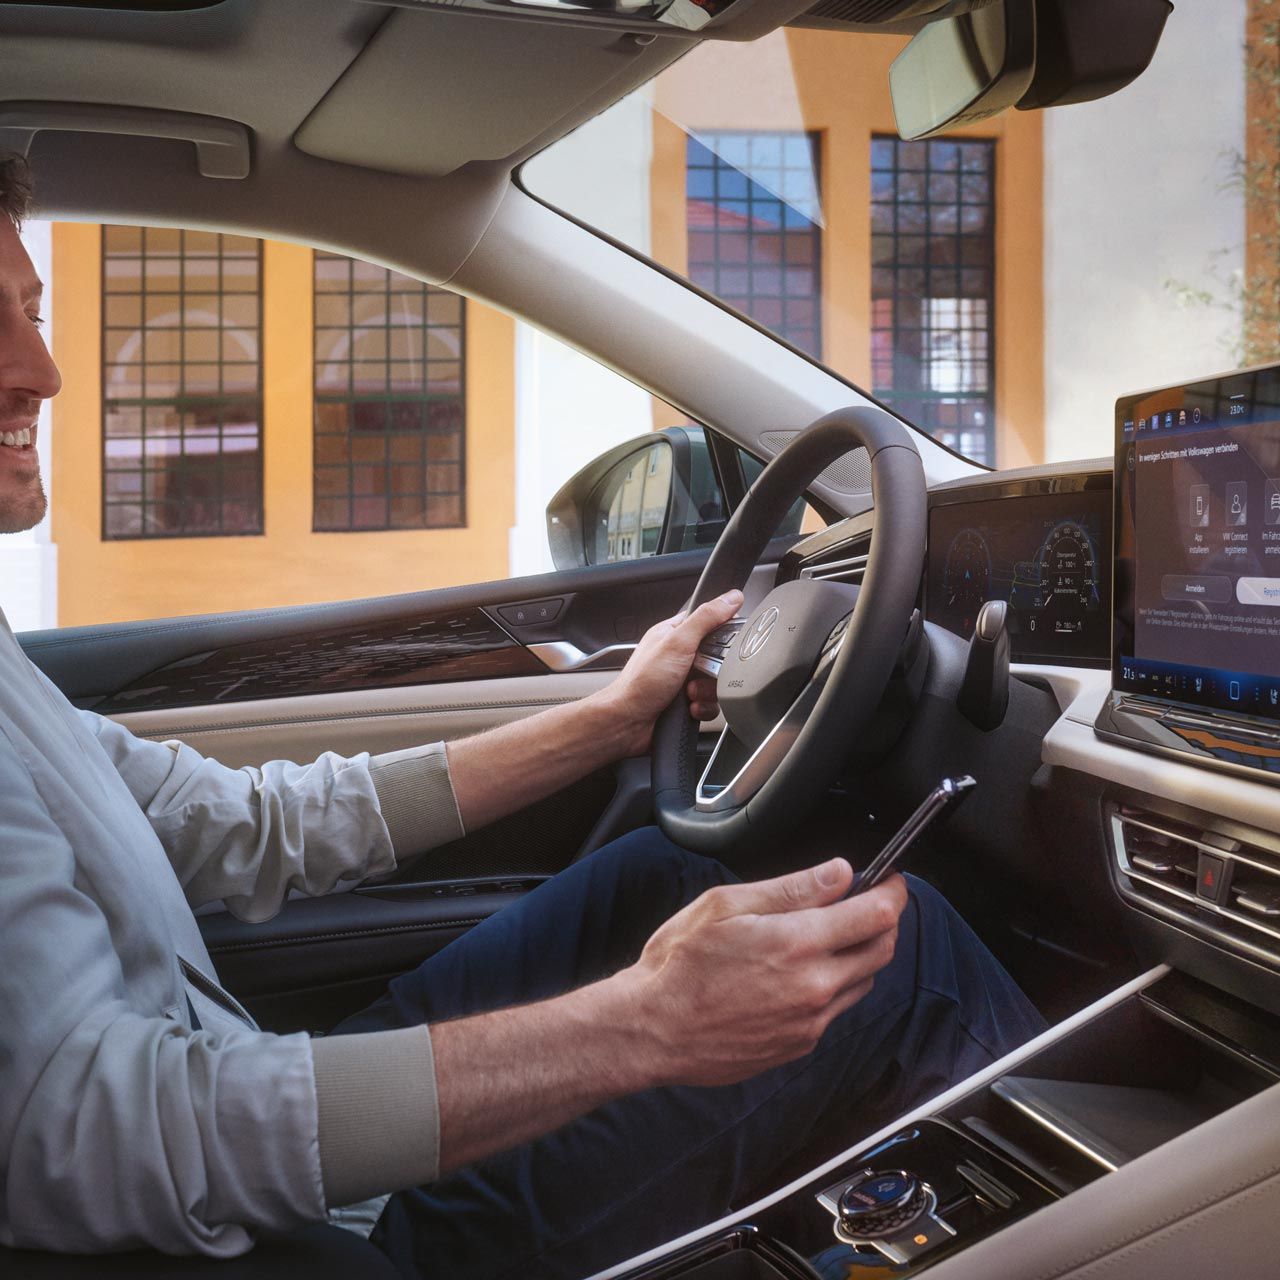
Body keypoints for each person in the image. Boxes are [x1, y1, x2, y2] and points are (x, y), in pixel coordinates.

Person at [0, 155, 1045, 1279]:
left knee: (663, 873)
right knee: (906, 953)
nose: (44, 371)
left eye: (29, 310)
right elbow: (81, 1133)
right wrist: (647, 1022)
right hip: (278, 1241)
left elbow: (242, 825)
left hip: (242, 1108)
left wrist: (610, 716)